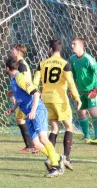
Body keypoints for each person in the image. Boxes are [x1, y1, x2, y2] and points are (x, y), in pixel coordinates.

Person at [6, 56, 64, 177]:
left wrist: (33, 110)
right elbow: (19, 97)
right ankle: (58, 158)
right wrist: (13, 109)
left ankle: (56, 166)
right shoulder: (13, 80)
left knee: (43, 138)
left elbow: (36, 93)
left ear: (7, 68)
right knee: (36, 144)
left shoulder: (20, 78)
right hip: (29, 113)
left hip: (37, 110)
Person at [33, 39, 81, 171]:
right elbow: (70, 82)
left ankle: (50, 157)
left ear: (50, 49)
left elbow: (35, 82)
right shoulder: (65, 64)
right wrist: (77, 98)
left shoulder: (42, 64)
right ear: (60, 49)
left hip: (46, 98)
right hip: (59, 99)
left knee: (54, 128)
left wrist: (33, 95)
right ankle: (66, 158)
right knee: (68, 126)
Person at [70, 37, 97, 144]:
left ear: (81, 46)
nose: (72, 46)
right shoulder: (72, 59)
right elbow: (74, 75)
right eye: (72, 44)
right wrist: (72, 88)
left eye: (74, 44)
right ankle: (87, 136)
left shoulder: (88, 58)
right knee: (81, 113)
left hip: (91, 91)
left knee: (93, 113)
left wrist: (95, 87)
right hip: (81, 91)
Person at [6, 44, 36, 153]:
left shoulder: (22, 65)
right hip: (24, 96)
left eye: (13, 49)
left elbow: (23, 82)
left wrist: (15, 95)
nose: (11, 50)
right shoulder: (19, 64)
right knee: (22, 120)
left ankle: (32, 145)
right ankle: (31, 145)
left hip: (26, 97)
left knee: (25, 120)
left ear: (18, 51)